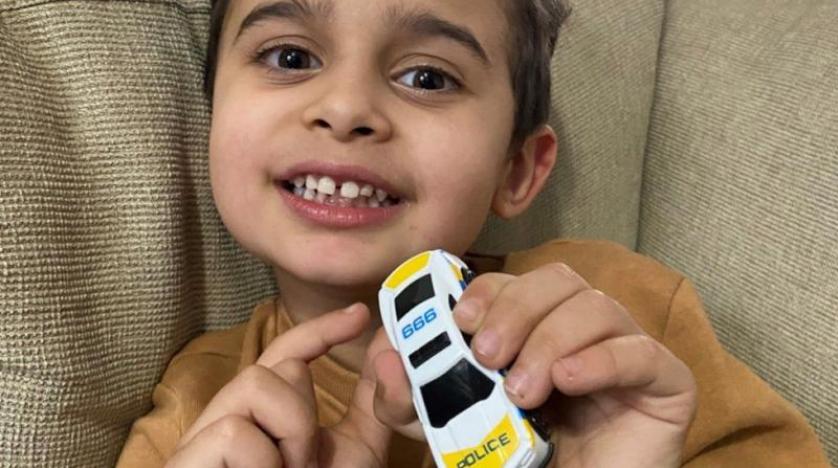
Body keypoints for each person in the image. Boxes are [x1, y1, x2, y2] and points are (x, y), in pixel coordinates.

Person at [117, 0, 829, 466]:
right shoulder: (201, 411)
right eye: (290, 58)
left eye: (428, 77)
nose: (346, 107)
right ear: (212, 118)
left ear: (516, 169)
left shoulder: (624, 322)